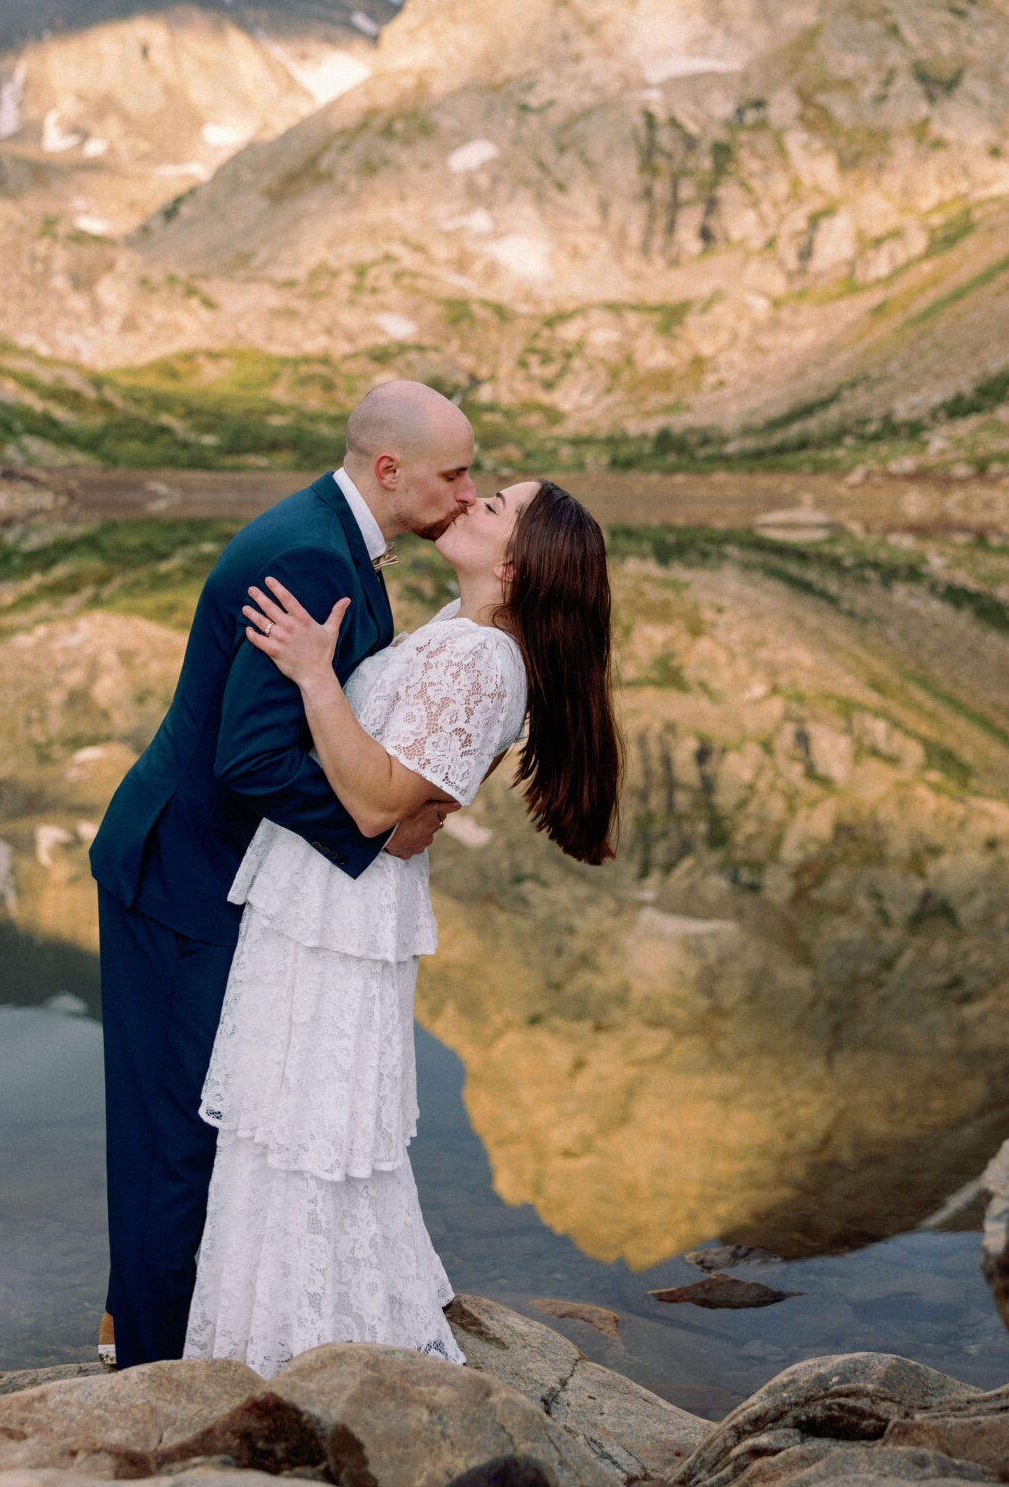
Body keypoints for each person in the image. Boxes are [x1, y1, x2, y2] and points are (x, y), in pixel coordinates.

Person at [182, 477, 623, 1377]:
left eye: (493, 505)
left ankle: (309, 1356)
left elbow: (379, 800)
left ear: (517, 566)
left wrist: (312, 674)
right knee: (288, 1124)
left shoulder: (481, 659)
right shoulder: (462, 638)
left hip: (340, 915)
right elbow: (401, 791)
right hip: (324, 903)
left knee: (311, 1128)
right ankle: (283, 1344)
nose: (469, 504)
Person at [88, 379, 480, 1369]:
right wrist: (373, 832)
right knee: (180, 1130)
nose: (470, 493)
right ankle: (148, 1374)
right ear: (389, 470)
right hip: (182, 873)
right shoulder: (309, 552)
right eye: (455, 473)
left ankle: (138, 1329)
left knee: (187, 1116)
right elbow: (252, 756)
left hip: (201, 866)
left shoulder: (330, 534)